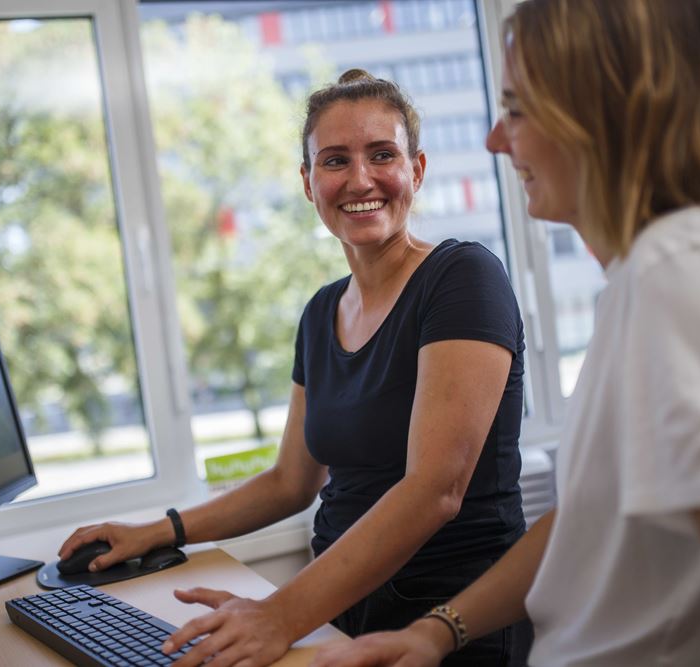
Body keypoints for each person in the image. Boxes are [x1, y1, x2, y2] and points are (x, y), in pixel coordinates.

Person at [312, 1, 700, 665]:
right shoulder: (640, 282)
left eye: (518, 109)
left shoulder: (684, 279)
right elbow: (590, 516)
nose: (495, 139)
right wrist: (435, 631)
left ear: (604, 112)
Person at [60, 70, 532, 666]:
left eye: (382, 155)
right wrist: (157, 530)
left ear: (416, 169)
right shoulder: (320, 313)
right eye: (335, 161)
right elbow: (290, 481)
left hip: (449, 621)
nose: (360, 179)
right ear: (309, 184)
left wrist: (279, 614)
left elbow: (434, 491)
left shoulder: (463, 278)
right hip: (337, 608)